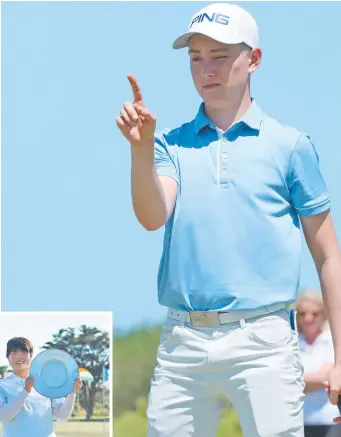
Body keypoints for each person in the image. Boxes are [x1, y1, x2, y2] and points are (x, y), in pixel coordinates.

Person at [116, 2, 341, 436]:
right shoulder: (170, 145)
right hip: (182, 342)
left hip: (265, 343)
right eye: (196, 58)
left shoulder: (290, 146)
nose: (206, 69)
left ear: (254, 59)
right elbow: (151, 216)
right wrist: (140, 150)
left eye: (219, 56)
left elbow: (329, 255)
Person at [0, 337, 82, 437]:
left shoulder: (47, 381)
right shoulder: (2, 385)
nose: (19, 357)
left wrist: (72, 393)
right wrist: (25, 391)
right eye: (14, 353)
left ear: (31, 356)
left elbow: (62, 417)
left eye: (23, 352)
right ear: (7, 357)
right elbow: (4, 417)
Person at [295, 290, 341, 437]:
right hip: (299, 422)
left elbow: (327, 377)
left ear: (324, 314)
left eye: (315, 313)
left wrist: (298, 381)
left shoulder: (334, 342)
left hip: (330, 421)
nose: (308, 318)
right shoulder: (291, 344)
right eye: (303, 313)